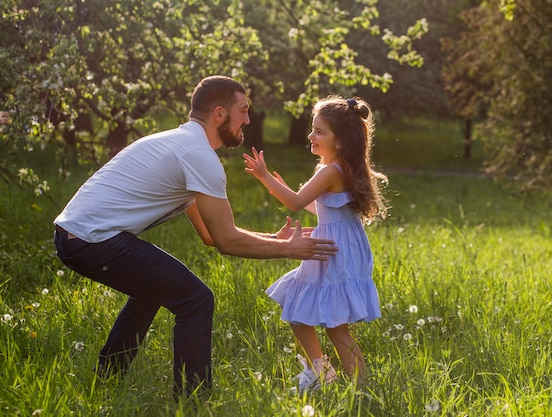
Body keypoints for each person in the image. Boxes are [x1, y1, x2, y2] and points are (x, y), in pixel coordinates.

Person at [53, 75, 338, 397]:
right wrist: (288, 248)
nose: (248, 119)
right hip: (92, 240)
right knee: (196, 299)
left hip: (78, 236)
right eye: (243, 111)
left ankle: (105, 380)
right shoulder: (198, 156)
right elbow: (227, 241)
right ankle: (192, 399)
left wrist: (274, 237)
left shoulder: (180, 144)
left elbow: (211, 235)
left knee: (152, 290)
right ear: (219, 114)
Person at [243, 95, 388, 392]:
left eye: (320, 131)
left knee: (329, 324)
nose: (311, 135)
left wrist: (264, 176)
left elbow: (296, 202)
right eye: (313, 128)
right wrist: (280, 188)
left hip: (331, 253)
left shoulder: (330, 170)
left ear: (341, 140)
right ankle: (327, 374)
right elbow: (326, 209)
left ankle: (351, 386)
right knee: (309, 313)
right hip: (340, 250)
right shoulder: (345, 167)